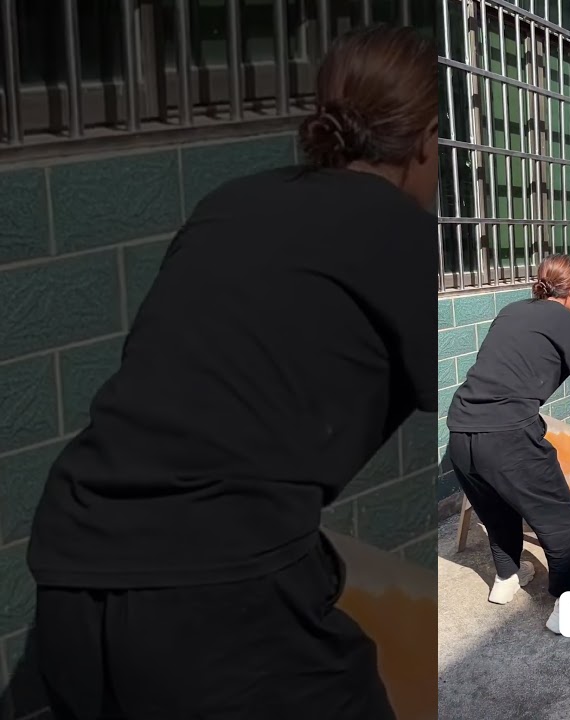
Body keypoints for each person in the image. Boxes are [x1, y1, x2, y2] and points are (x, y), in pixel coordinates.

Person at [26, 25, 437, 720]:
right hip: (215, 600)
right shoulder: (402, 233)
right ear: (427, 141)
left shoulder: (232, 202)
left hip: (73, 569)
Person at [446, 254, 570, 635]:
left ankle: (507, 578)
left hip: (461, 430)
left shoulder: (511, 311)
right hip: (508, 438)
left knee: (496, 508)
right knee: (560, 521)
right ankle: (568, 602)